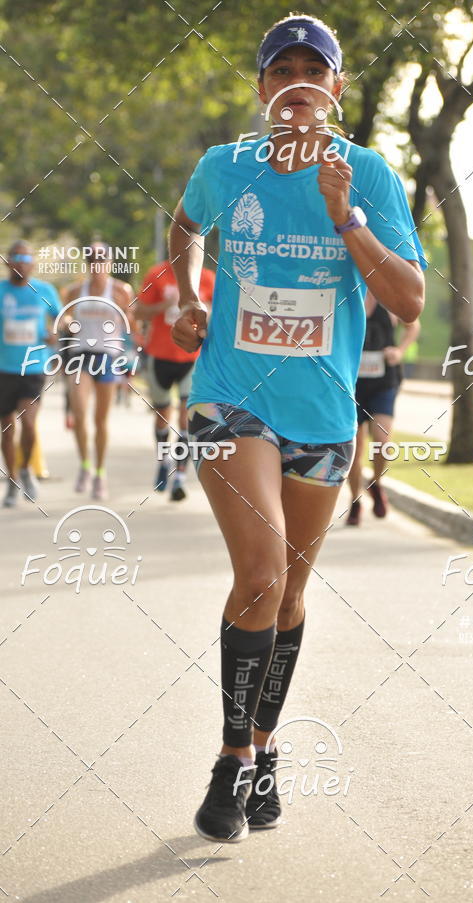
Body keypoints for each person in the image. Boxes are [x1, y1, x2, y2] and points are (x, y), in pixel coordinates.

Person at [169, 13, 427, 843]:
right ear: (262, 89)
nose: (296, 88)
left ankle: (266, 749)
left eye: (312, 73)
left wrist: (346, 217)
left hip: (323, 415)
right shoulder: (225, 166)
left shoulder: (371, 175)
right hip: (229, 398)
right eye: (281, 73)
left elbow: (410, 300)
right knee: (262, 572)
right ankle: (232, 760)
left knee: (290, 594)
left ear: (337, 90)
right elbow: (184, 223)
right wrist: (186, 289)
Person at [136, 259, 215, 501]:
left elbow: (221, 313)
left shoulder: (208, 277)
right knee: (162, 418)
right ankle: (163, 461)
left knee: (185, 416)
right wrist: (163, 305)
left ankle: (179, 476)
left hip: (192, 357)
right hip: (160, 355)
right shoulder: (157, 274)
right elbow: (138, 311)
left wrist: (206, 313)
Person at [62, 241, 134, 500]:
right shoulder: (73, 291)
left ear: (110, 262)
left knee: (100, 420)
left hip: (108, 355)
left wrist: (126, 310)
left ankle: (100, 473)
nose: (97, 265)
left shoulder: (120, 289)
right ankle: (85, 465)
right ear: (88, 264)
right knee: (80, 414)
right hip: (80, 354)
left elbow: (131, 325)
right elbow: (65, 317)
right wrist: (68, 323)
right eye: (92, 260)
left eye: (101, 260)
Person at [347, 291, 421, 525]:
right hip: (353, 385)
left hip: (383, 383)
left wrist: (399, 351)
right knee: (355, 452)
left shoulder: (387, 299)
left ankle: (376, 483)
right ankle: (355, 501)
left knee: (382, 441)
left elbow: (413, 326)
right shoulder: (349, 297)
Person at [0, 240, 61, 507]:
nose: (21, 264)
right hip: (3, 369)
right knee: (7, 430)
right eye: (16, 258)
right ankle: (12, 480)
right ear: (8, 263)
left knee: (29, 422)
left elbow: (63, 318)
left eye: (26, 259)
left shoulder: (44, 289)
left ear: (33, 264)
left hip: (34, 367)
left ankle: (26, 469)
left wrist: (56, 332)